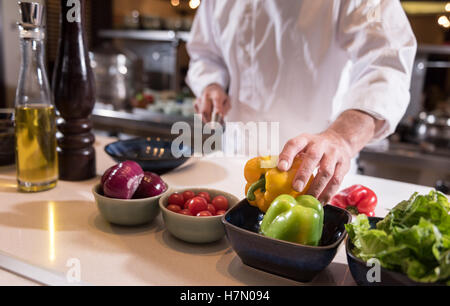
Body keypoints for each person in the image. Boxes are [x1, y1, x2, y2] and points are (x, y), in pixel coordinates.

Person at [186, 0, 417, 203]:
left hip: (315, 175)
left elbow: (387, 62)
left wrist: (342, 138)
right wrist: (211, 84)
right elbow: (204, 55)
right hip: (236, 163)